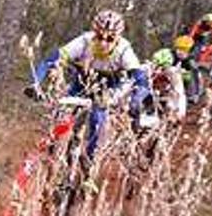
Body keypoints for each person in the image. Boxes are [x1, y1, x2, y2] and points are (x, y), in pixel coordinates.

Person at [26, 10, 153, 159]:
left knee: (97, 119)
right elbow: (51, 59)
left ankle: (89, 162)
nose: (103, 43)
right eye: (99, 36)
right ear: (94, 33)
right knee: (62, 116)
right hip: (81, 84)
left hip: (108, 87)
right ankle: (52, 150)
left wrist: (137, 97)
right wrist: (36, 83)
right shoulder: (84, 42)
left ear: (118, 38)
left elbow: (140, 78)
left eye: (110, 39)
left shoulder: (124, 50)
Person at [186, 13, 212, 104]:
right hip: (194, 45)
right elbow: (191, 35)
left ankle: (196, 94)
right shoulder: (198, 24)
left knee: (199, 72)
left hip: (205, 49)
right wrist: (187, 44)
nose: (209, 24)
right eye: (207, 22)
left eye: (210, 22)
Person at [148, 48, 187, 122]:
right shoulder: (153, 69)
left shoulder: (174, 71)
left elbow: (179, 92)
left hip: (171, 92)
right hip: (158, 88)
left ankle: (175, 114)